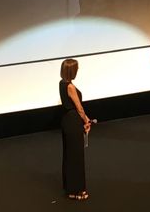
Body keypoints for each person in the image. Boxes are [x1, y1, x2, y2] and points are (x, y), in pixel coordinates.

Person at [58, 58, 92, 200]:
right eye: (76, 69)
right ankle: (77, 191)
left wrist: (85, 118)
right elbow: (79, 108)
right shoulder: (70, 87)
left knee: (69, 155)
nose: (77, 71)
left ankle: (70, 188)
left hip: (67, 120)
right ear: (72, 71)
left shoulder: (61, 83)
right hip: (73, 122)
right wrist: (86, 121)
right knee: (76, 157)